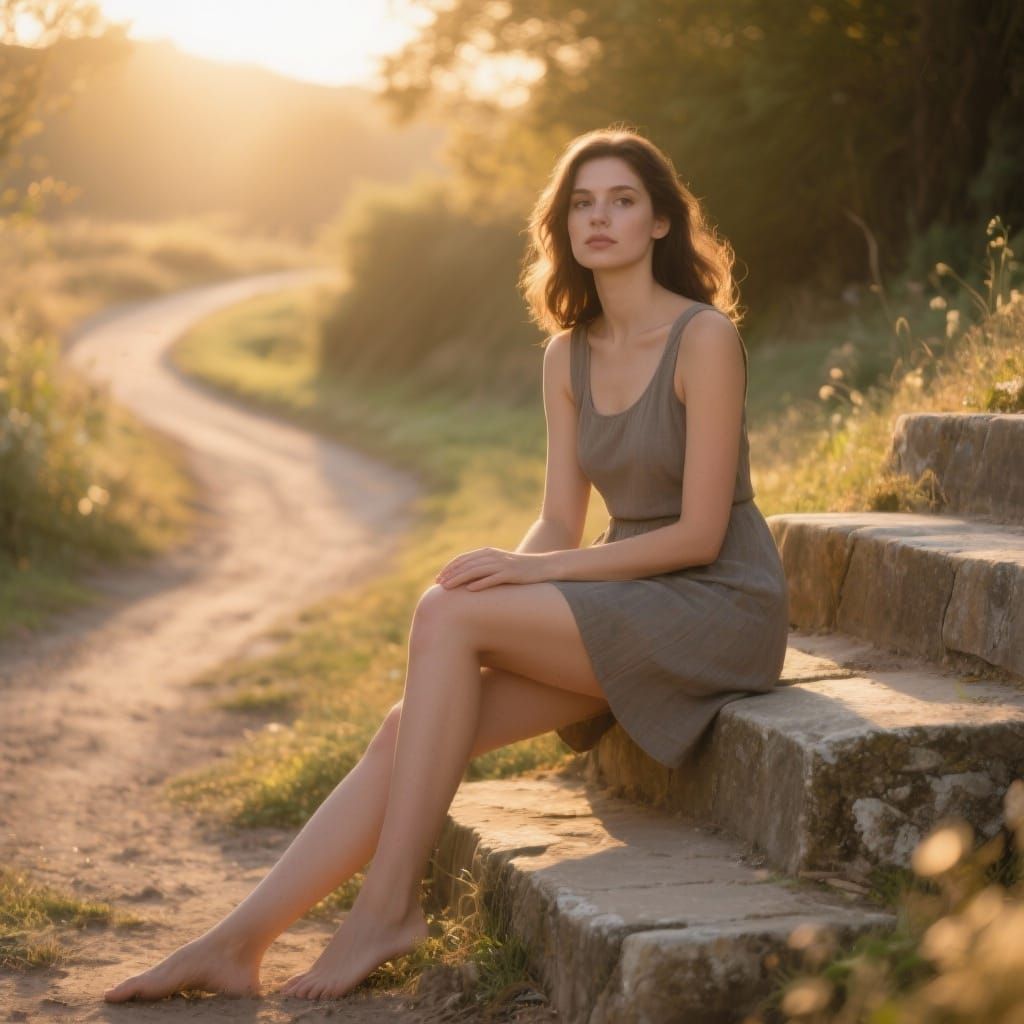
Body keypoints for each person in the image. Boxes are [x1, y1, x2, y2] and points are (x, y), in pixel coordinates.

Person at [103, 125, 788, 1004]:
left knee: (452, 617)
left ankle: (386, 909)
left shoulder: (703, 339)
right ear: (564, 227)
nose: (600, 218)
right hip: (631, 601)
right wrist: (504, 570)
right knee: (418, 702)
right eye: (582, 203)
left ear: (661, 221)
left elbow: (698, 535)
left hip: (717, 605)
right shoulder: (568, 355)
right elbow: (557, 519)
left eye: (622, 200)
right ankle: (238, 940)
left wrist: (530, 576)